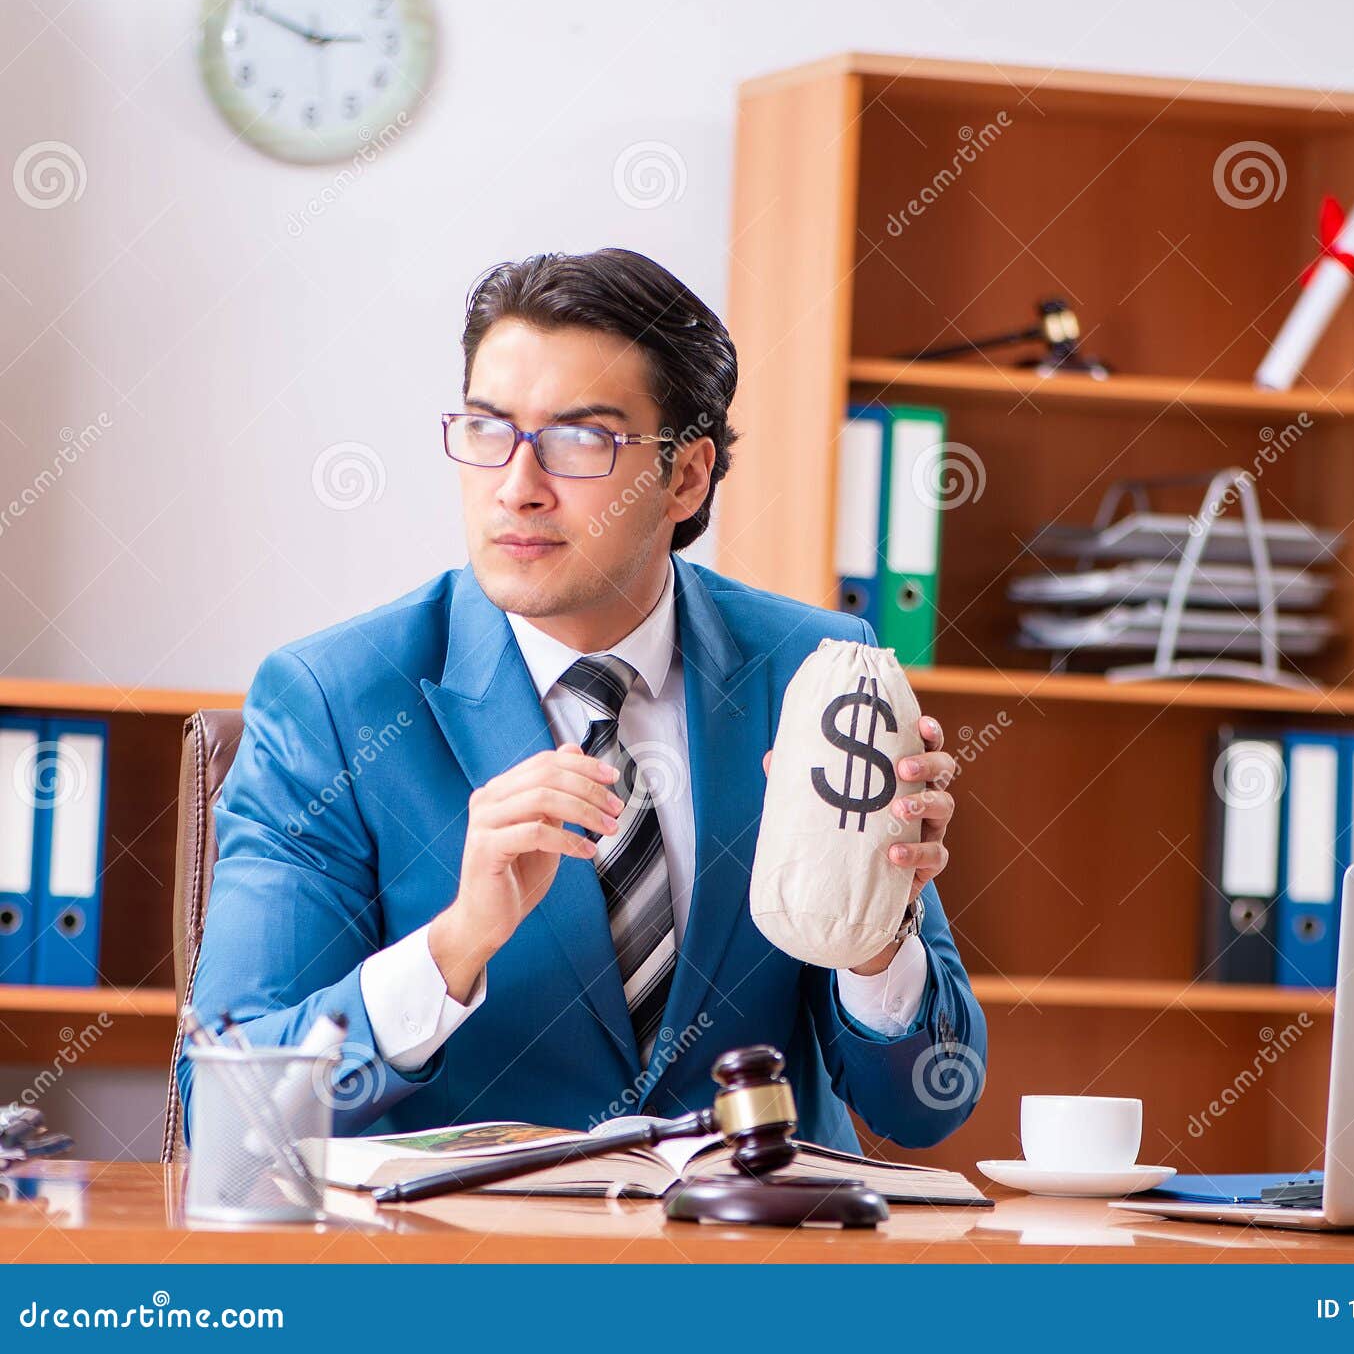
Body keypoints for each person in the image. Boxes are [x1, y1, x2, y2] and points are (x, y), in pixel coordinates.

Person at [180, 249, 985, 1152]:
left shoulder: (820, 671)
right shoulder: (334, 703)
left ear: (685, 477)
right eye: (488, 430)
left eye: (579, 439)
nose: (517, 486)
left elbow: (928, 1102)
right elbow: (232, 1113)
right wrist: (455, 947)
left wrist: (876, 925)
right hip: (468, 1272)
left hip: (749, 1262)